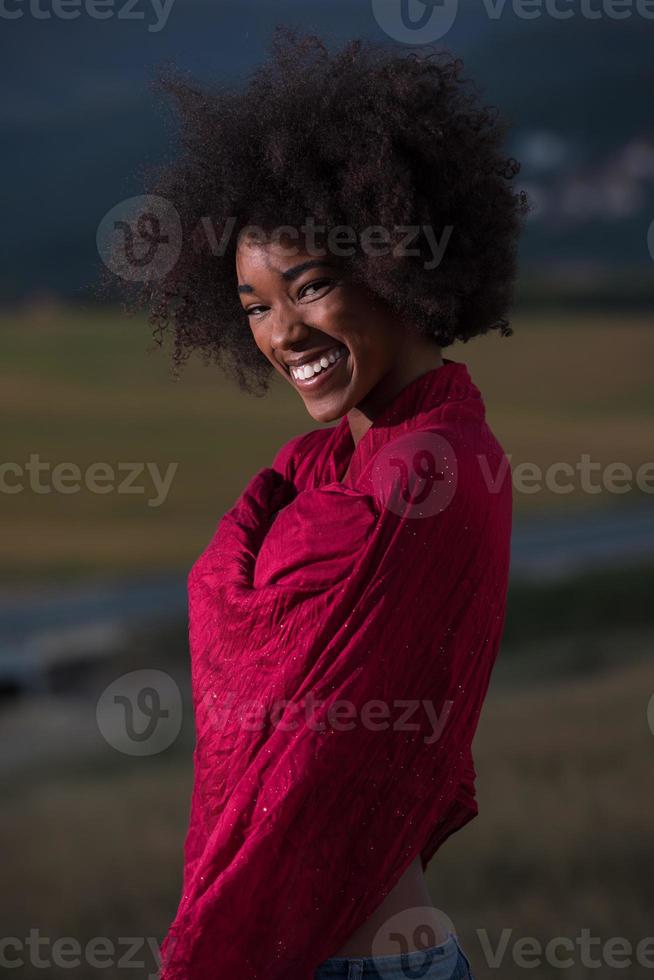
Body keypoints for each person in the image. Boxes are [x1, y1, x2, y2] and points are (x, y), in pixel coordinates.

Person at [120, 26, 527, 980]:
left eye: (312, 286)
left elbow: (317, 757)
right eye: (256, 305)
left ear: (392, 264)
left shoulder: (428, 473)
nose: (281, 332)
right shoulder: (312, 472)